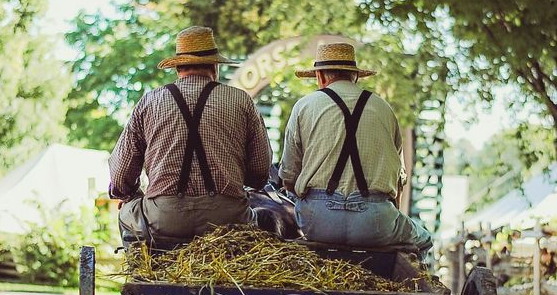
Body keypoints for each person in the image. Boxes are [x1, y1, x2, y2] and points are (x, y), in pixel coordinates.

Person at [109, 26, 286, 243]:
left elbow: (120, 176)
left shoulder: (150, 102)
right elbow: (259, 172)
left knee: (127, 211)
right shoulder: (241, 101)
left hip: (164, 219)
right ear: (215, 65)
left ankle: (142, 269)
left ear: (178, 68)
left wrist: (129, 194)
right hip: (227, 221)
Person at [278, 42, 432, 256]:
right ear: (356, 76)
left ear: (320, 76)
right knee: (424, 240)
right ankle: (410, 284)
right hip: (375, 222)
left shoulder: (304, 106)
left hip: (318, 222)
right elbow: (399, 179)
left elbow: (288, 176)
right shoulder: (384, 109)